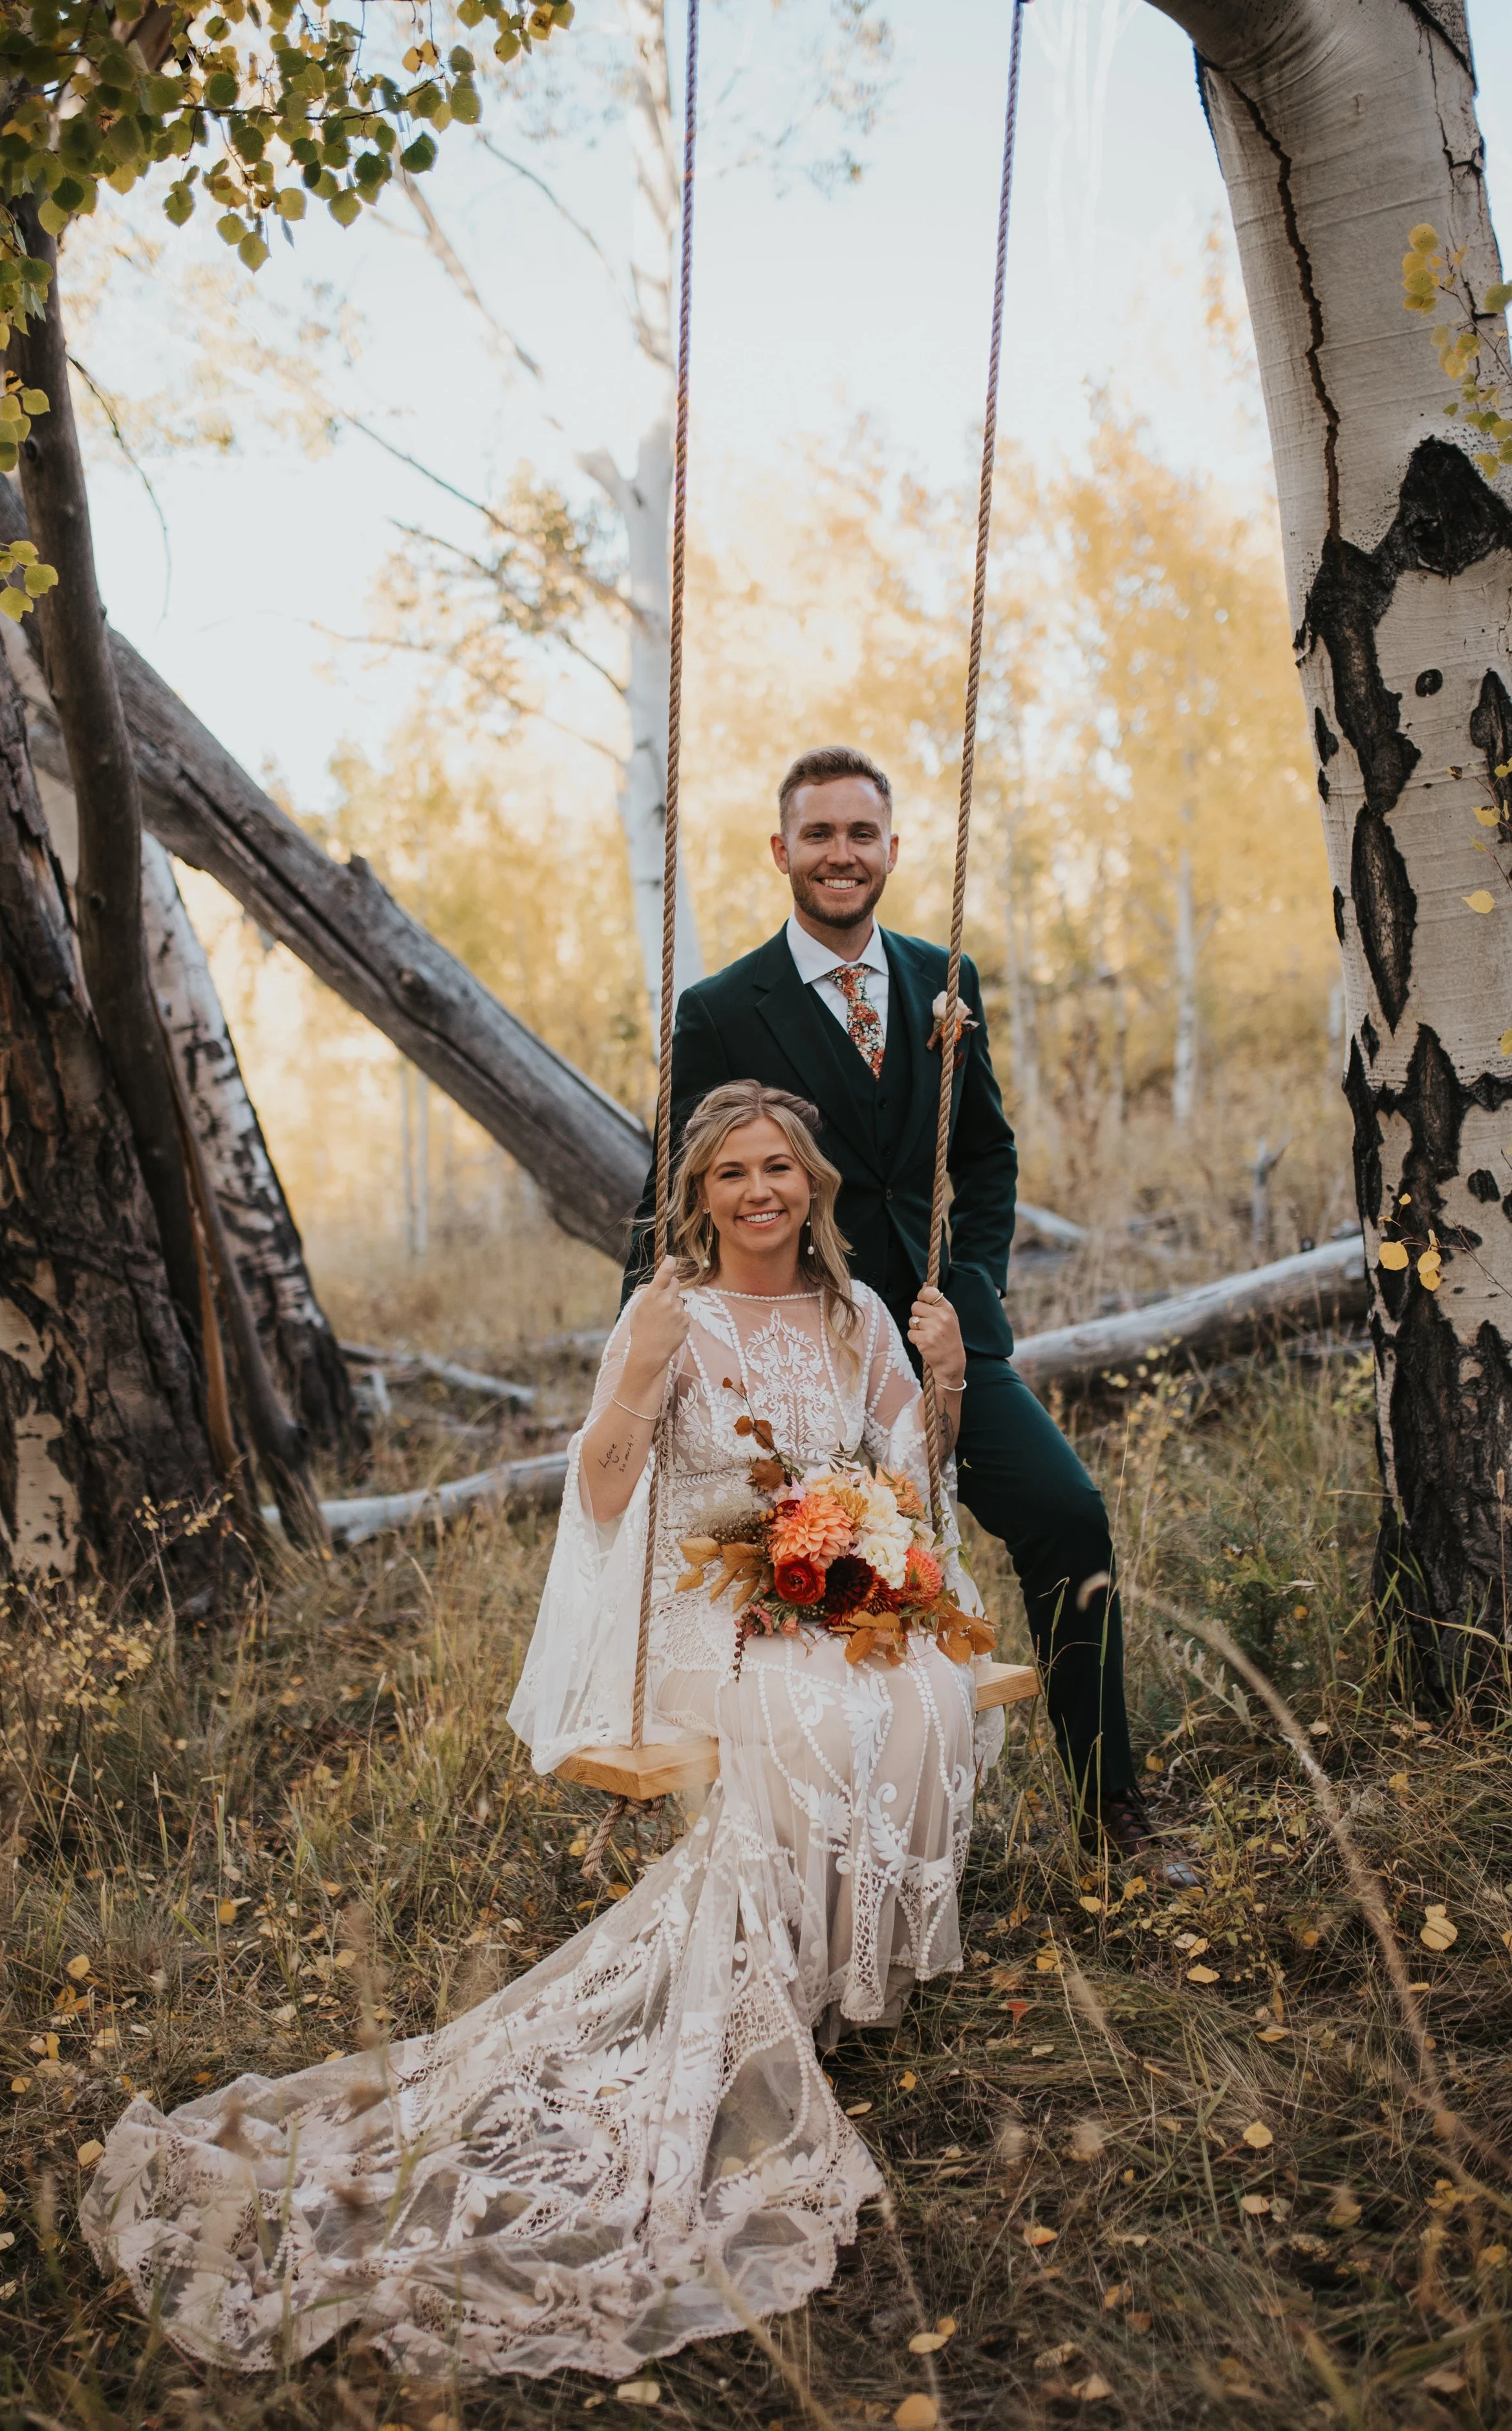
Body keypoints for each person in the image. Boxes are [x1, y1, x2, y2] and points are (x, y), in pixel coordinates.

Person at [81, 1080, 1004, 2379]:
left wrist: (943, 1382)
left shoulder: (858, 1315)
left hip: (829, 1581)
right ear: (698, 1196)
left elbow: (912, 1480)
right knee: (810, 1706)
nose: (758, 1192)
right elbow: (605, 1491)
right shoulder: (666, 1311)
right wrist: (632, 1379)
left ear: (812, 1187)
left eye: (778, 1169)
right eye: (732, 1171)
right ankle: (777, 1985)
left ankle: (850, 1975)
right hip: (705, 1601)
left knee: (923, 1689)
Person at [623, 744, 1169, 1866]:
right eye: (818, 835)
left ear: (892, 849)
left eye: (860, 834)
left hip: (930, 1339)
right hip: (801, 1347)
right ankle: (834, 1854)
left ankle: (1114, 1811)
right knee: (823, 1583)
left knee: (1069, 1514)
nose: (840, 854)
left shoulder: (942, 981)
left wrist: (969, 1297)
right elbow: (676, 1183)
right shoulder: (724, 1007)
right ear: (782, 850)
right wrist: (641, 1344)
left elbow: (989, 1154)